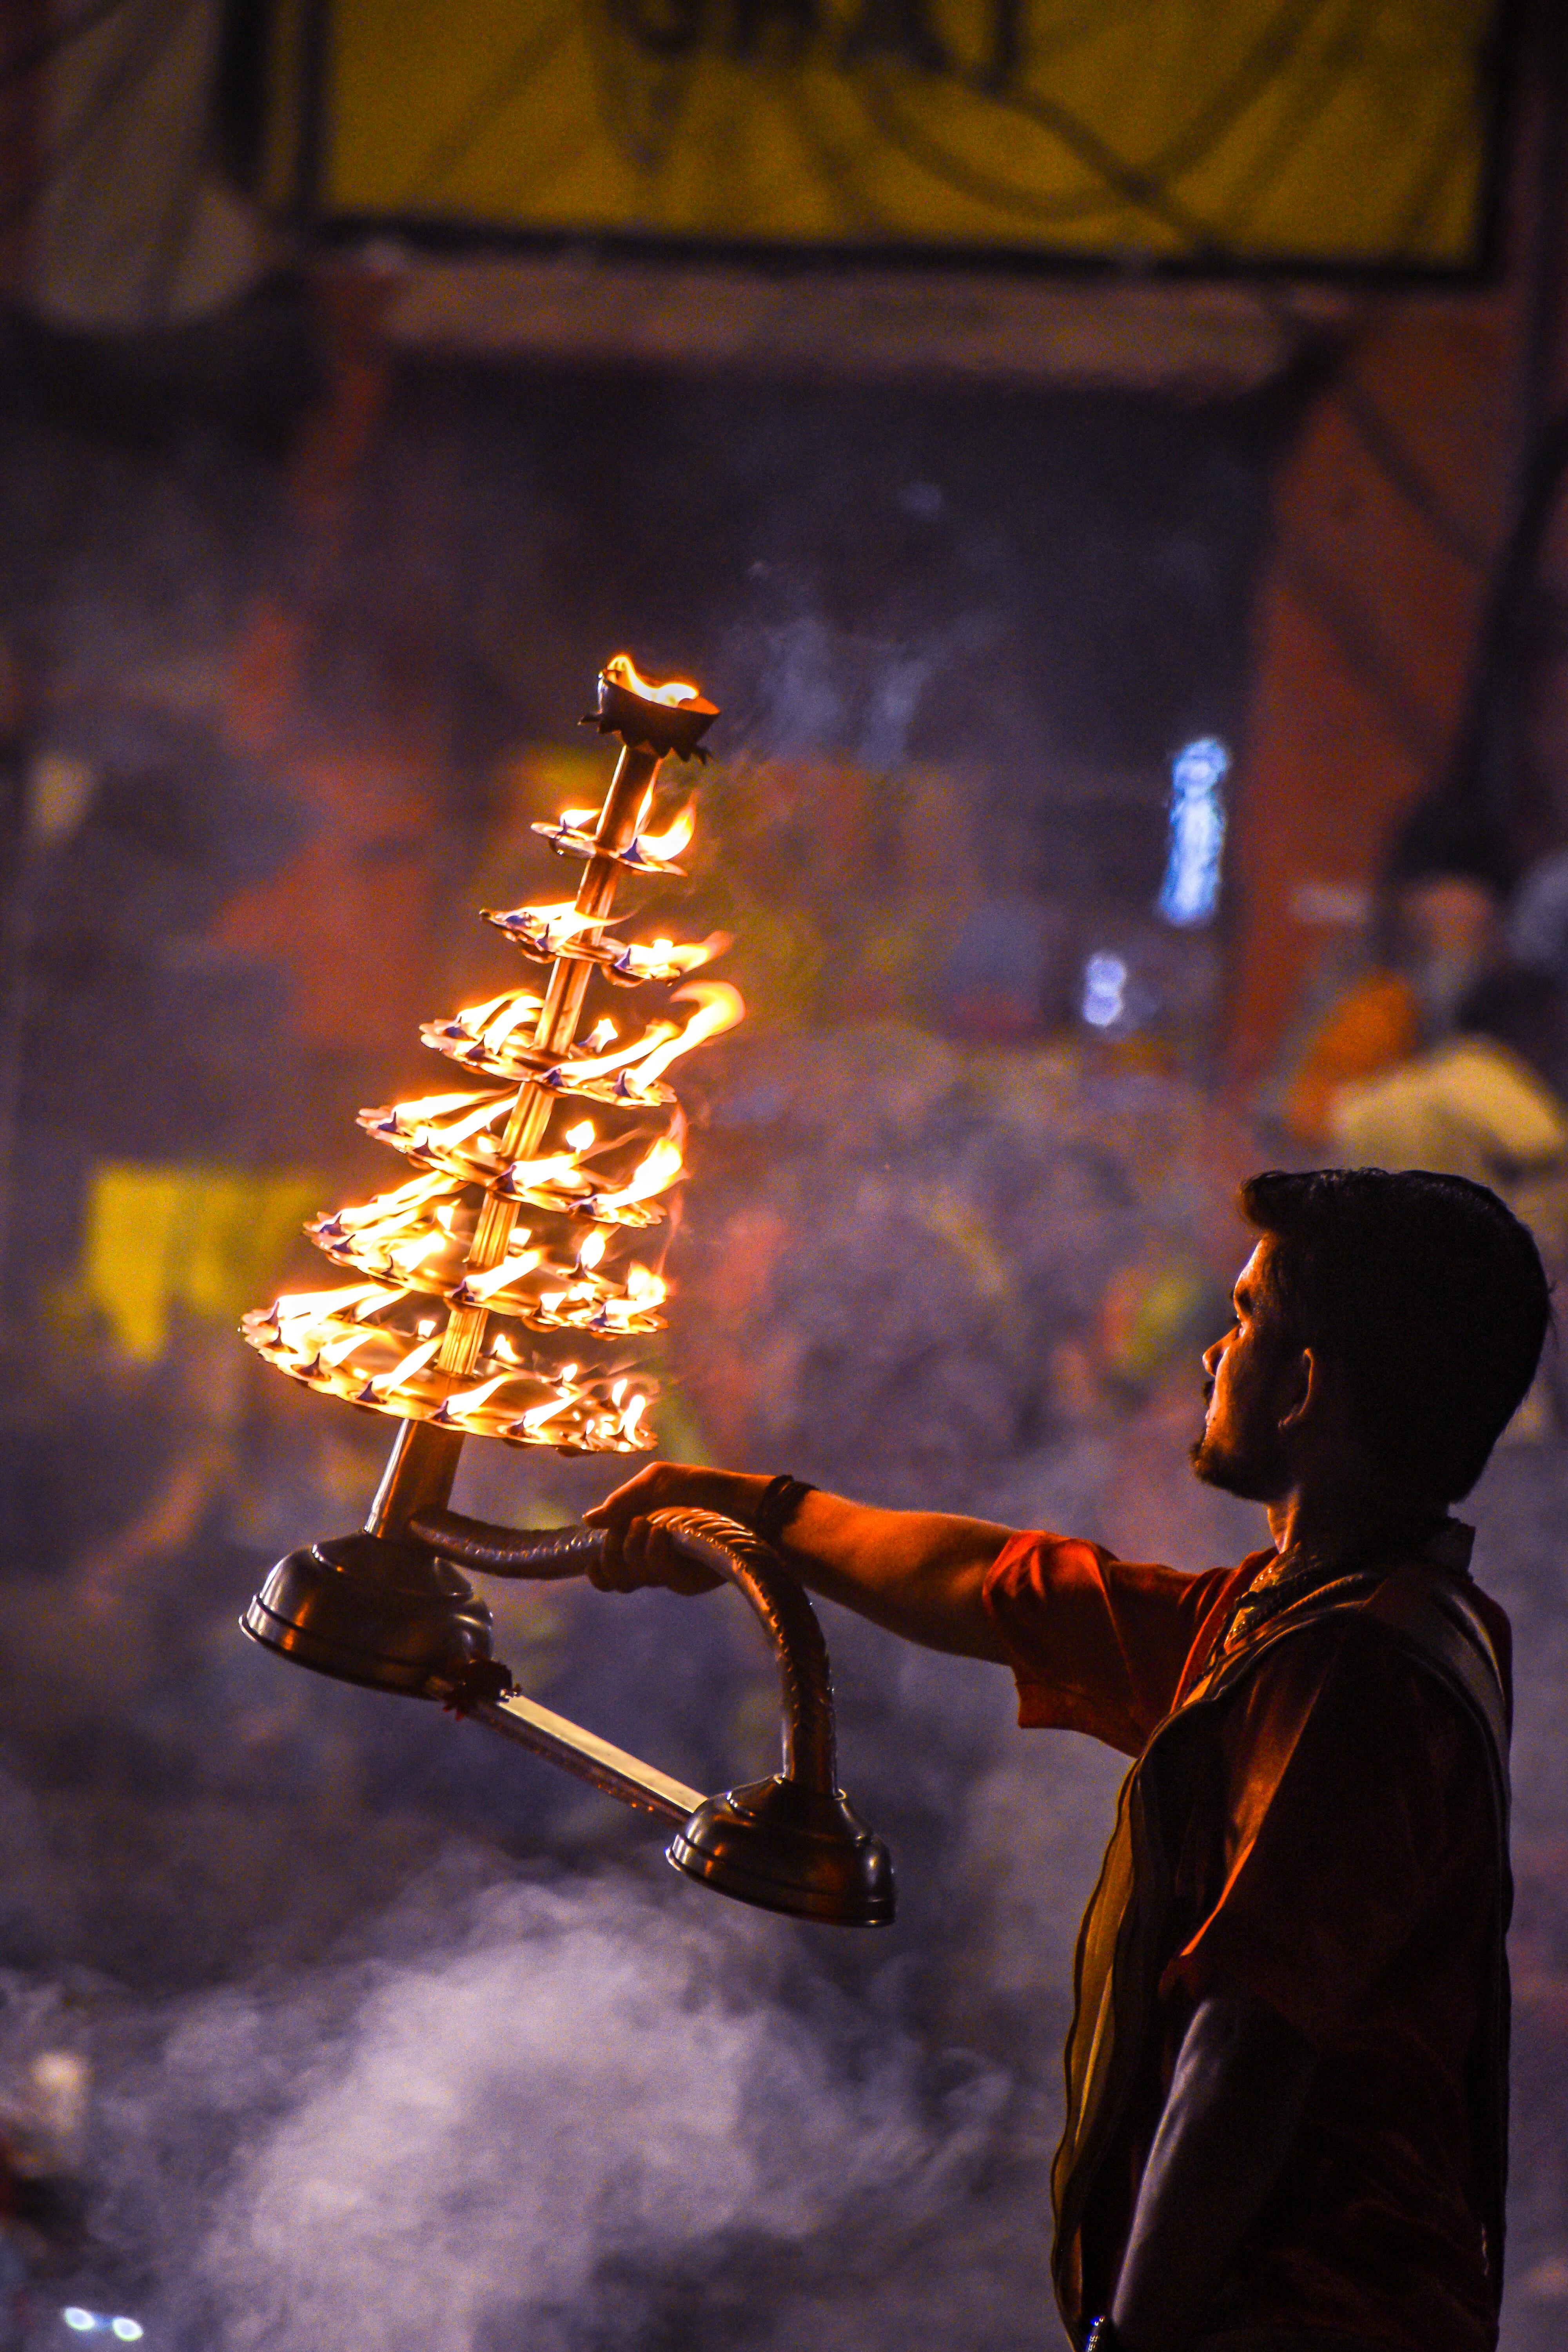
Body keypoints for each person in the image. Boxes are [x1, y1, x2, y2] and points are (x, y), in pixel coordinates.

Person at [540, 1168, 1542, 2352]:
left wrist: (1139, 2334)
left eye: (1241, 1321)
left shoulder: (1350, 1676)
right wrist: (746, 1508)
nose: (1211, 1356)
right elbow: (998, 1585)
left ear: (1305, 1388)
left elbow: (1250, 2044)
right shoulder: (1317, 1618)